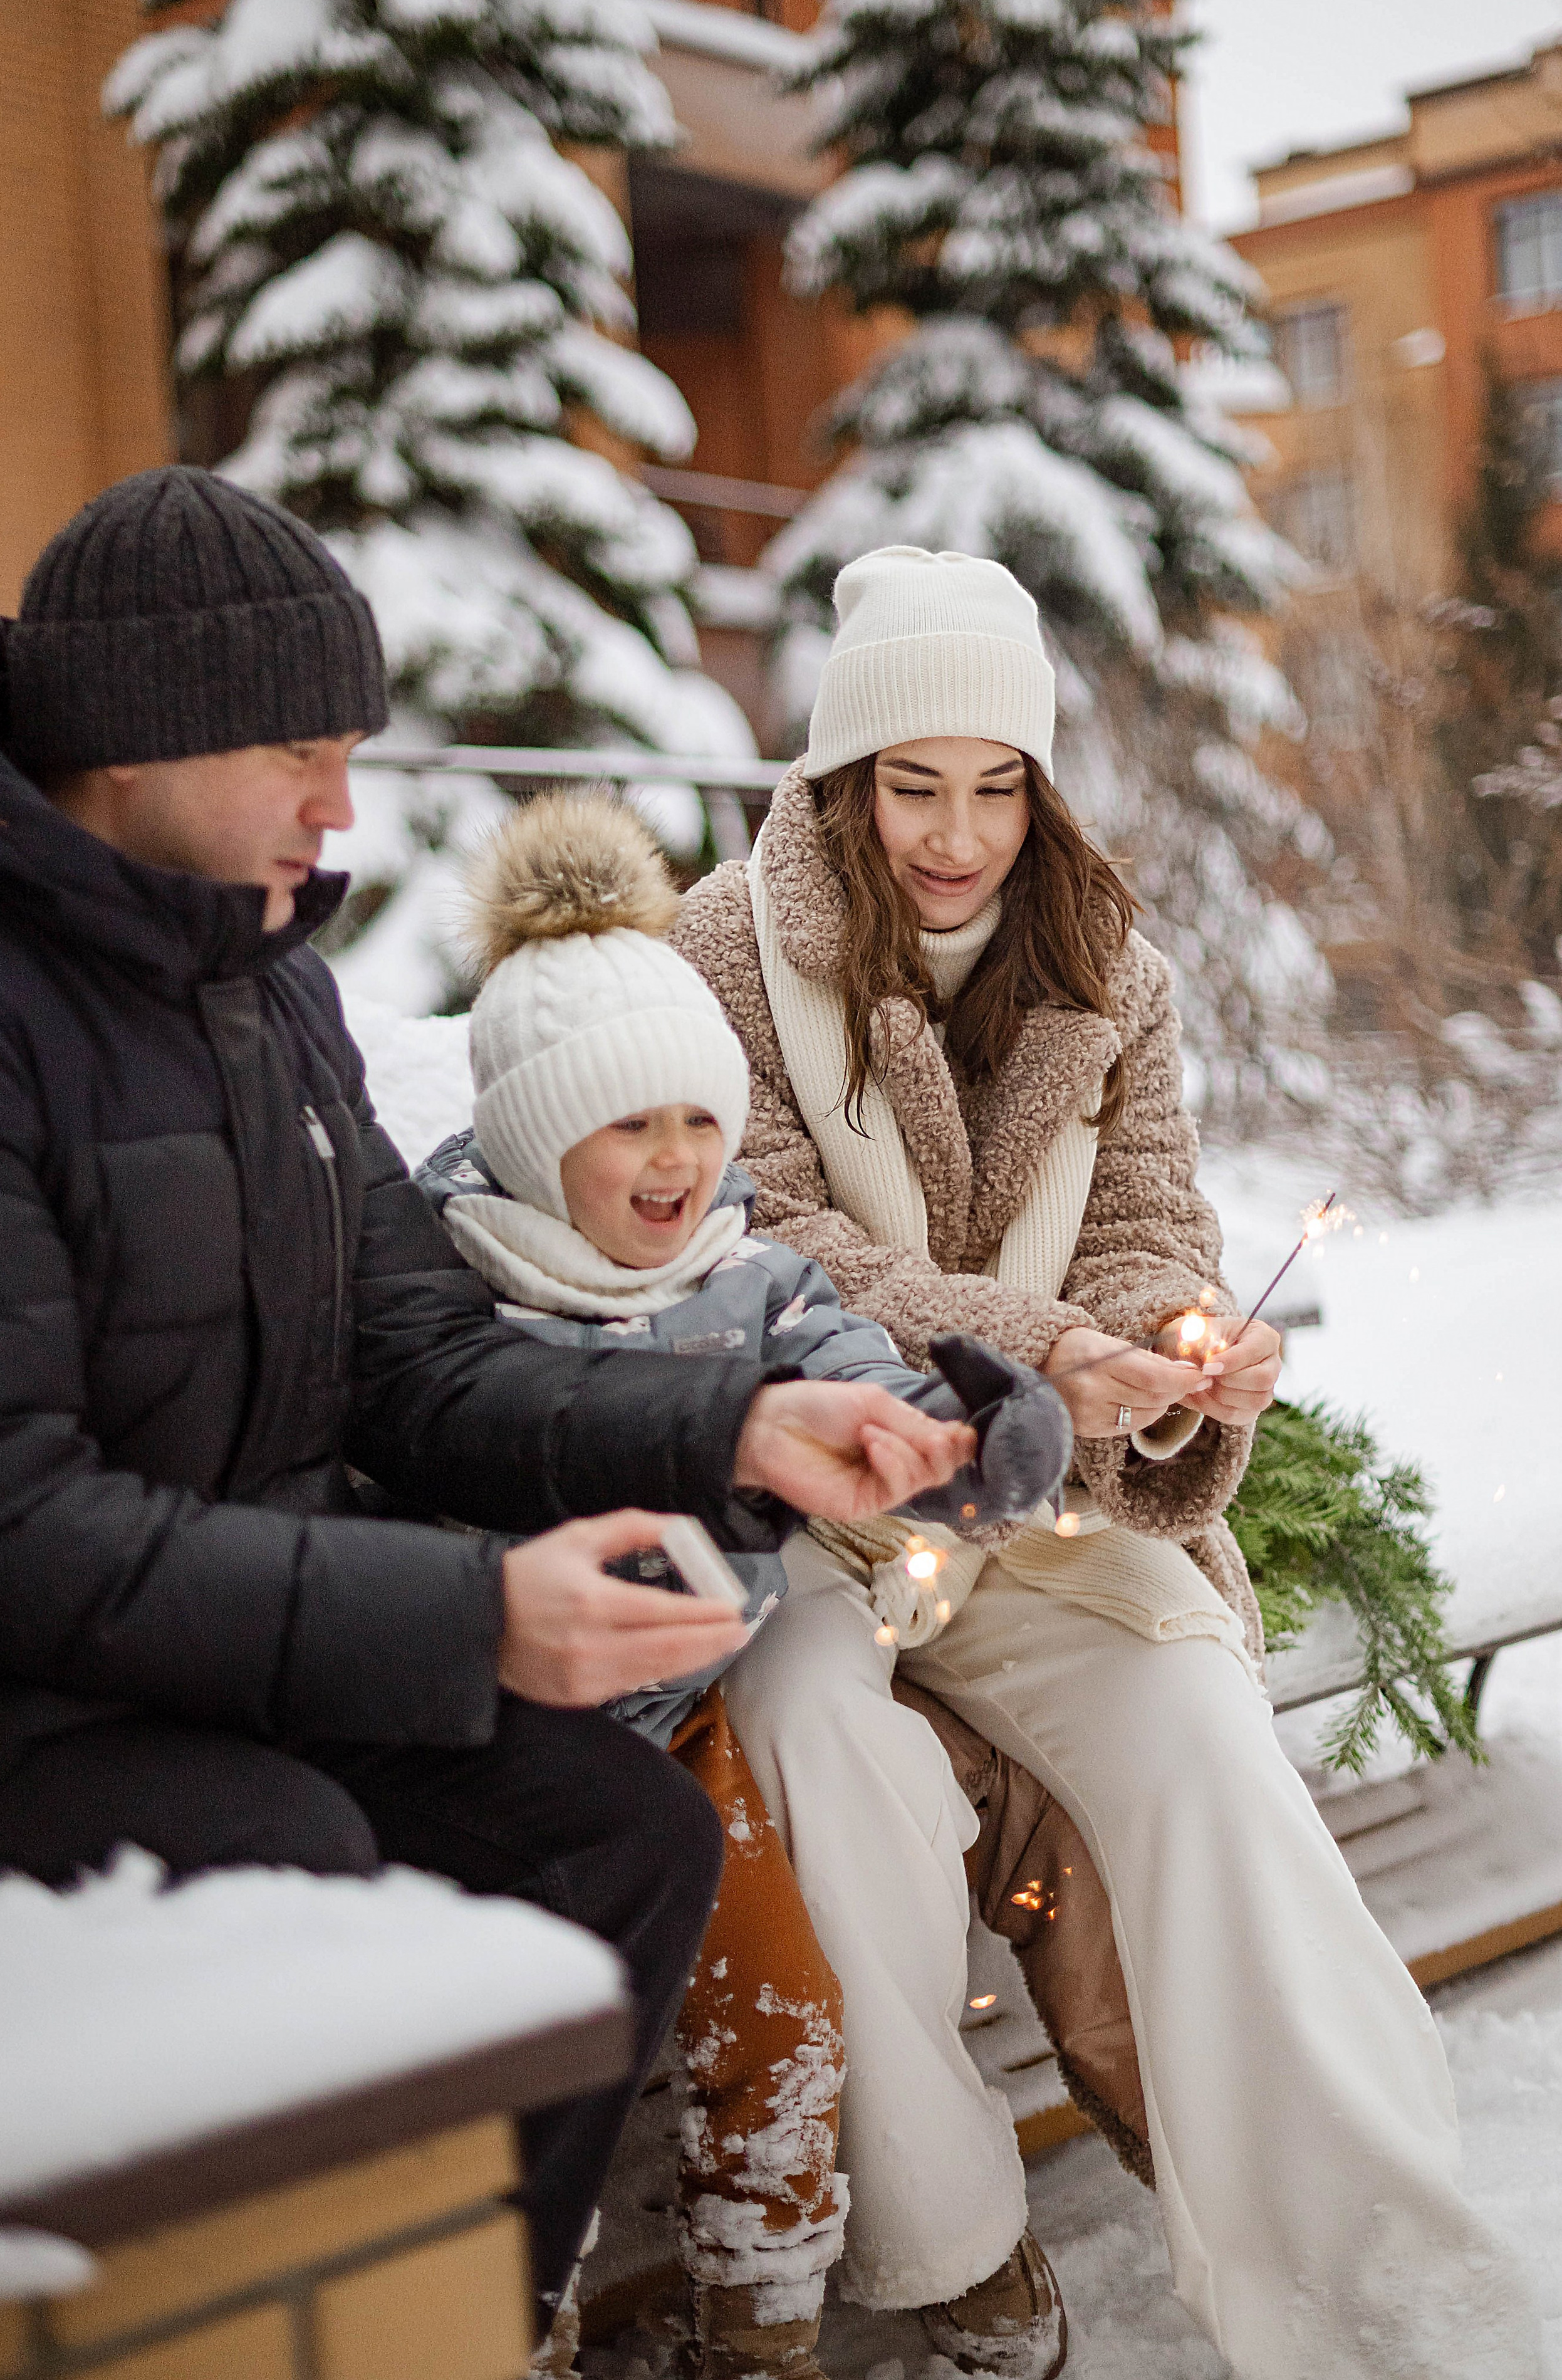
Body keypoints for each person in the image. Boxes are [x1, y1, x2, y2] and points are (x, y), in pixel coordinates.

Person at [0, 473, 977, 2329]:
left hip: (267, 1636)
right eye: (299, 749)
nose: (342, 807)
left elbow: (412, 1357)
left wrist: (728, 1423)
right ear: (134, 738)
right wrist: (469, 1611)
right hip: (32, 1696)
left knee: (626, 1836)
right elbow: (2, 1524)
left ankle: (461, 2325)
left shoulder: (268, 990)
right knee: (313, 1872)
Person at [673, 545, 1541, 2380]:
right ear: (842, 778)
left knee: (1210, 1750)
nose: (959, 834)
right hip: (828, 1511)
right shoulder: (720, 955)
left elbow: (1151, 1214)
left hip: (1051, 1517)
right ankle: (958, 2245)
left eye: (999, 784)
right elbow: (774, 1238)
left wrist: (1171, 1349)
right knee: (824, 1752)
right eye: (915, 784)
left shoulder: (1107, 966)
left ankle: (1371, 2277)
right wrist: (1020, 1336)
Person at [414, 785, 1075, 2380]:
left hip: (694, 1725)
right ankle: (521, 2322)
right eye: (626, 1121)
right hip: (499, 1747)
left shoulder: (745, 1271)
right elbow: (410, 1491)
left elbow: (857, 1370)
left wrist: (963, 1434)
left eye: (699, 1118)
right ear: (524, 1133)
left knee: (777, 1996)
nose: (675, 1159)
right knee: (519, 2053)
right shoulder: (450, 1301)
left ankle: (761, 2321)